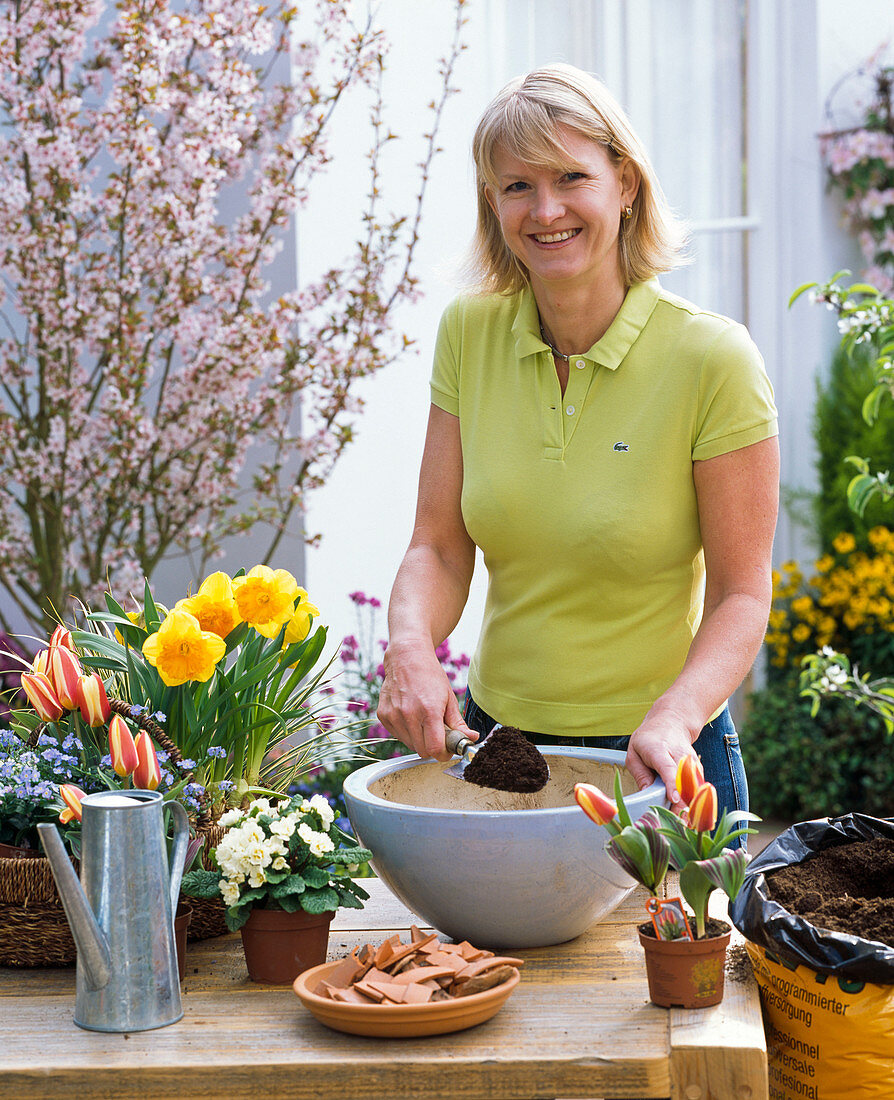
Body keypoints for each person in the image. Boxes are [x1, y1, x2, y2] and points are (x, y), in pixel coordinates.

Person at [376, 64, 779, 832]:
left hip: (659, 757)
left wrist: (675, 717)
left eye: (571, 176)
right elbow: (438, 546)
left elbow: (741, 595)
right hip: (501, 749)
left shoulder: (713, 360)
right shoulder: (469, 333)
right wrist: (409, 648)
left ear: (625, 183)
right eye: (516, 186)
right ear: (492, 204)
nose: (546, 208)